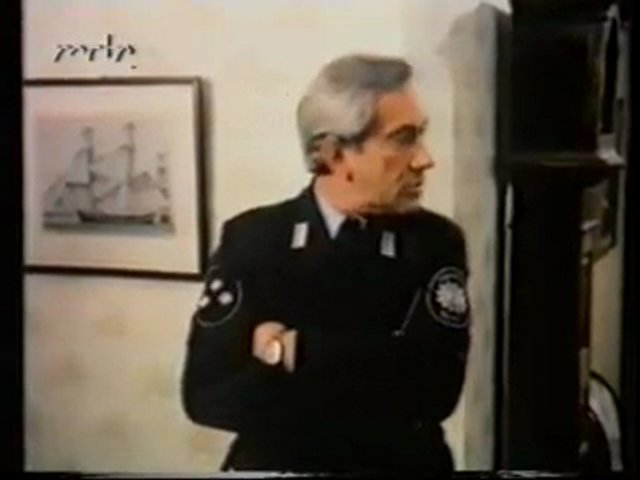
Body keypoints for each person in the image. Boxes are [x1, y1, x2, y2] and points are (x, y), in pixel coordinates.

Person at [181, 53, 471, 474]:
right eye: (403, 138)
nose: (424, 159)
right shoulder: (255, 238)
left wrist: (289, 350)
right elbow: (207, 397)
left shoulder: (433, 242)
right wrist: (380, 358)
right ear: (334, 154)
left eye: (419, 136)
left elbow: (434, 392)